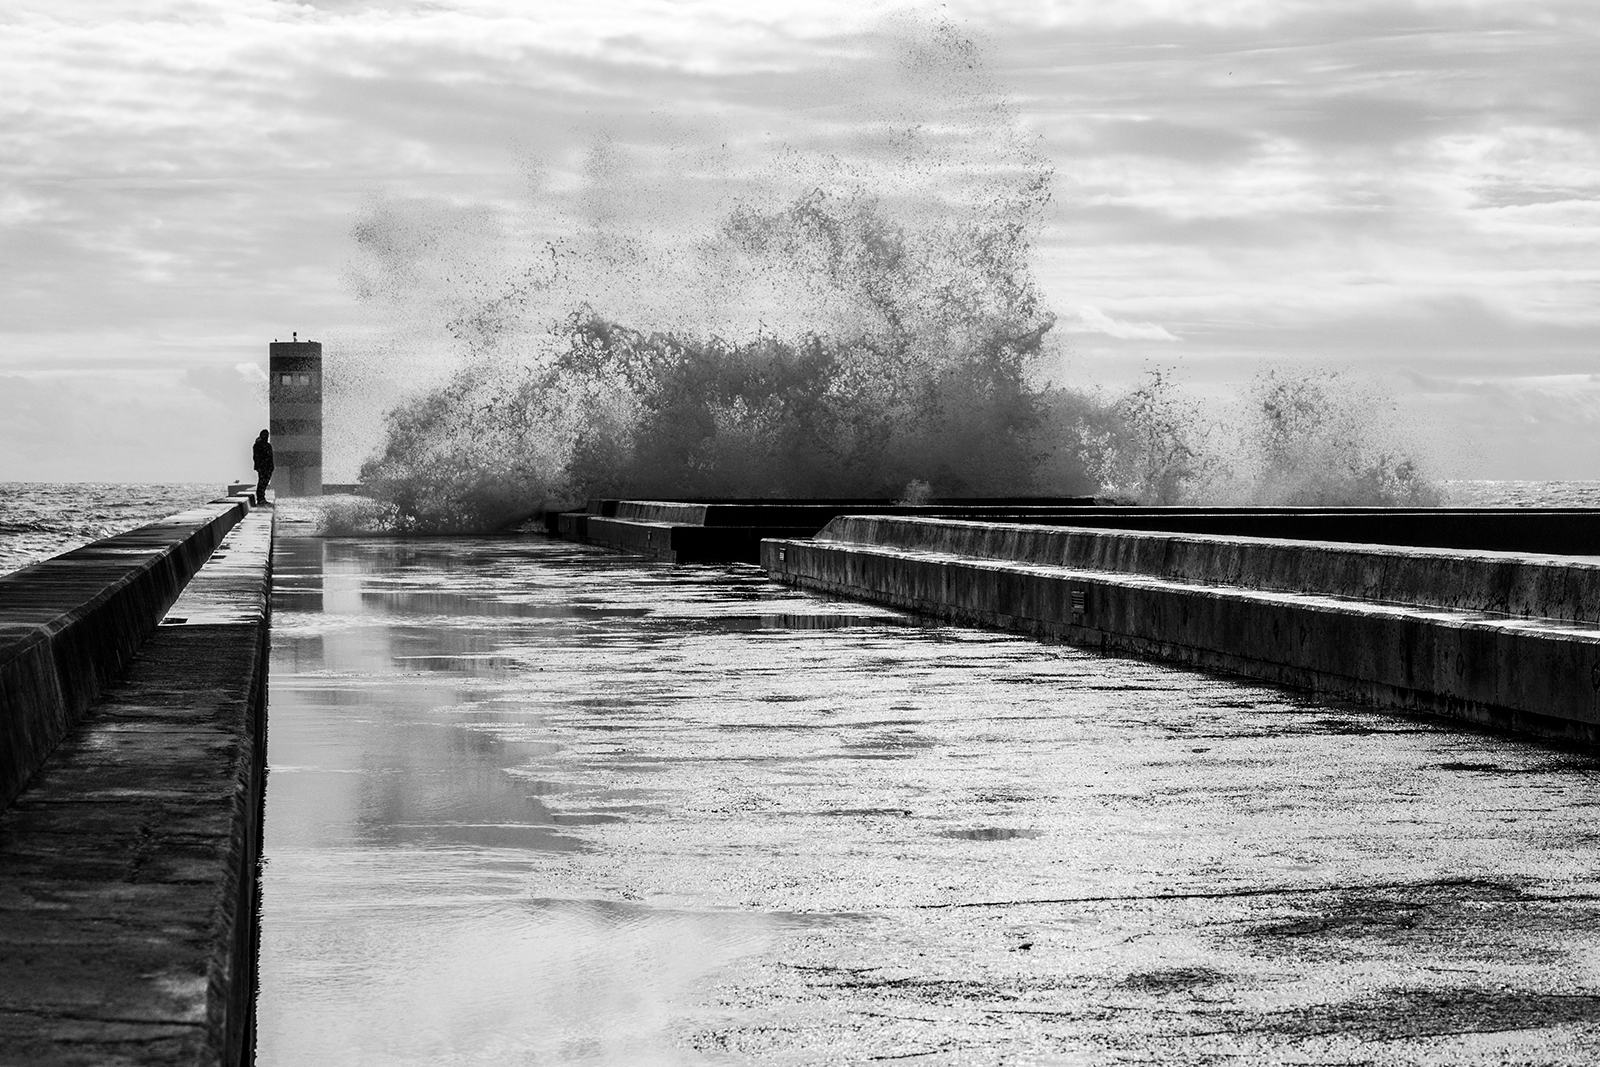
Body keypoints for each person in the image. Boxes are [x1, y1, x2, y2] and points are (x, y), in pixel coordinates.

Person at [252, 429, 274, 506]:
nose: (265, 436)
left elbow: (271, 457)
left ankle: (262, 498)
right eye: (264, 435)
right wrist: (258, 467)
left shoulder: (268, 445)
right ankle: (260, 498)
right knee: (261, 482)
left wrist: (272, 467)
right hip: (262, 467)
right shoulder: (258, 445)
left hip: (269, 467)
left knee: (265, 482)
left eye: (266, 435)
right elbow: (256, 457)